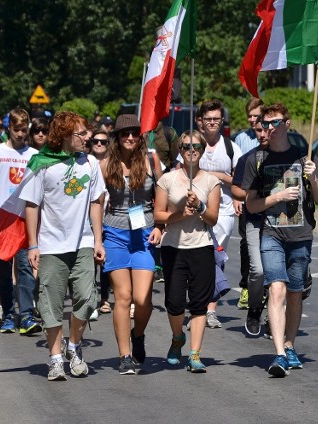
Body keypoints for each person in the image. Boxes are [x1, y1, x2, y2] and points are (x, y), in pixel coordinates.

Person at [242, 103, 318, 377]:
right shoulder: (257, 160)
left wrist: (313, 179)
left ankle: (290, 345)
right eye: (265, 124)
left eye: (275, 122)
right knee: (276, 289)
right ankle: (279, 353)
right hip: (271, 234)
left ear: (287, 124)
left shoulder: (303, 158)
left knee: (295, 292)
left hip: (301, 236)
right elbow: (251, 206)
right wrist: (276, 198)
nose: (269, 128)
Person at [21, 111, 106, 381]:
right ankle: (56, 359)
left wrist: (98, 239)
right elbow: (32, 206)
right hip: (50, 245)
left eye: (87, 132)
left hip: (82, 242)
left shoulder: (90, 163)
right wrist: (33, 245)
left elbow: (96, 202)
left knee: (87, 297)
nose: (87, 137)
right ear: (65, 135)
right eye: (81, 133)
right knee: (51, 304)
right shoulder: (42, 164)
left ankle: (74, 345)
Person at [100, 114, 163, 374]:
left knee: (142, 297)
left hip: (144, 232)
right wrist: (95, 240)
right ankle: (124, 355)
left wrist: (160, 226)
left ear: (140, 137)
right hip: (114, 233)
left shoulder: (151, 160)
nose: (129, 138)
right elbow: (95, 204)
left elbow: (163, 196)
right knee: (123, 297)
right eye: (124, 133)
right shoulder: (104, 165)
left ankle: (138, 334)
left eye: (134, 133)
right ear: (116, 137)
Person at [155, 130, 220, 372]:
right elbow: (158, 215)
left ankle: (194, 354)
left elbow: (212, 219)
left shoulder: (211, 181)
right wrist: (180, 214)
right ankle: (176, 338)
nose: (191, 150)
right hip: (173, 246)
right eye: (185, 147)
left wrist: (201, 206)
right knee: (174, 303)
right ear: (179, 150)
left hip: (201, 247)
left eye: (196, 147)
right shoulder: (167, 179)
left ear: (203, 150)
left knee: (199, 303)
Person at [0, 108, 41, 334]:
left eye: (24, 130)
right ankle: (7, 314)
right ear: (9, 129)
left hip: (24, 221)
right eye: (17, 130)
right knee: (3, 271)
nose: (20, 134)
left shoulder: (34, 155)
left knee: (25, 267)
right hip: (1, 220)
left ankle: (25, 315)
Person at [182, 99, 242, 329]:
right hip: (193, 211)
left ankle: (210, 310)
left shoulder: (230, 147)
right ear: (200, 121)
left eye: (217, 118)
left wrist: (213, 174)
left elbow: (238, 180)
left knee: (216, 258)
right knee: (196, 258)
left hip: (223, 211)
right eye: (208, 119)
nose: (213, 123)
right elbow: (180, 171)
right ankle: (198, 306)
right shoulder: (192, 144)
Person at [231, 119, 268, 335]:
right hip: (255, 218)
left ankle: (274, 317)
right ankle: (254, 308)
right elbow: (236, 188)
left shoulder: (288, 157)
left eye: (266, 129)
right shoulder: (249, 158)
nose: (262, 134)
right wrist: (252, 192)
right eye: (258, 130)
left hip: (281, 221)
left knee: (276, 273)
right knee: (258, 270)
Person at [233, 97, 264, 310]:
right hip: (247, 197)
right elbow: (237, 172)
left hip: (269, 201)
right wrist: (238, 197)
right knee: (247, 244)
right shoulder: (241, 139)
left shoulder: (273, 138)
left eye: (257, 116)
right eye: (250, 116)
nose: (253, 121)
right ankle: (247, 286)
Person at [88, 128, 112, 315]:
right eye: (96, 141)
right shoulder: (85, 163)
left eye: (103, 142)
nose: (99, 144)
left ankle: (104, 298)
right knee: (88, 261)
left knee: (104, 260)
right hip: (88, 217)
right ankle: (89, 296)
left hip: (109, 217)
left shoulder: (114, 164)